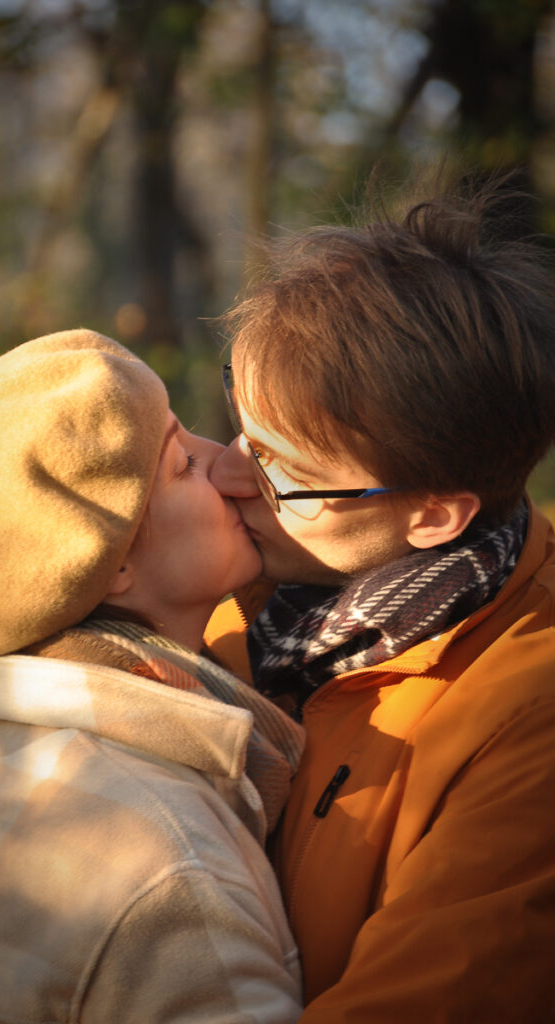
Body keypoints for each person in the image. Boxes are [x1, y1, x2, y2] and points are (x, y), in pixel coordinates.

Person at [205, 181, 555, 1022]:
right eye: (240, 429)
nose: (223, 473)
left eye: (286, 471)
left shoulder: (527, 717)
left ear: (432, 514)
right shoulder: (242, 603)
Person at [0, 329, 305, 1024]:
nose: (226, 462)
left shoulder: (7, 773)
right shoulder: (169, 862)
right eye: (180, 465)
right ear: (106, 565)